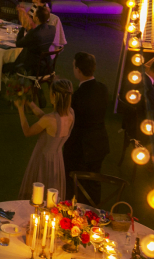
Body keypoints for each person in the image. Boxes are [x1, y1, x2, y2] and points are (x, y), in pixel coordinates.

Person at [16, 79, 75, 201]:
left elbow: (27, 132)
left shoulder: (50, 119)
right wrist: (30, 103)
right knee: (51, 199)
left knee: (38, 197)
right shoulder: (70, 114)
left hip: (42, 161)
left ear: (54, 96)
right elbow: (46, 120)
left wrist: (20, 110)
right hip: (57, 162)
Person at [63, 52, 109, 204]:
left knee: (72, 181)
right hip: (99, 144)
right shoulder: (103, 89)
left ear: (78, 70)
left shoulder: (76, 97)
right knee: (94, 181)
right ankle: (95, 211)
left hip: (80, 148)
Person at [2, 6, 56, 75]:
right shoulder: (52, 29)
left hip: (32, 68)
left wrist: (23, 26)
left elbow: (18, 44)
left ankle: (11, 83)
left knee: (3, 67)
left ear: (36, 18)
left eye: (34, 14)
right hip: (46, 65)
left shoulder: (34, 33)